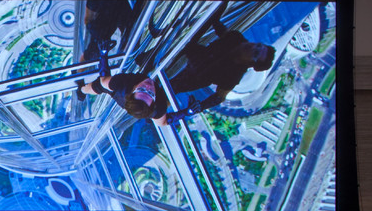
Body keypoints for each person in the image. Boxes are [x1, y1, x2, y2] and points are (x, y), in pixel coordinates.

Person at [75, 11, 276, 127]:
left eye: (256, 54)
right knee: (102, 86)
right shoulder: (237, 39)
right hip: (190, 59)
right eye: (259, 47)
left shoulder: (234, 74)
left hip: (189, 75)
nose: (254, 48)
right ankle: (82, 90)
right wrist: (187, 111)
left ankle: (82, 90)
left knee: (102, 86)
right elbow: (163, 120)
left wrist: (104, 55)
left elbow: (104, 80)